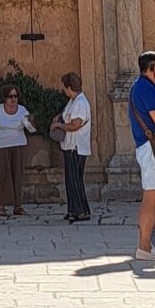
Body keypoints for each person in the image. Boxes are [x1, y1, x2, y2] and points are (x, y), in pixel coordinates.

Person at [129, 50, 155, 259]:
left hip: (145, 147)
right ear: (150, 68)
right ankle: (144, 247)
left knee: (152, 195)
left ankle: (145, 245)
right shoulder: (147, 88)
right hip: (150, 147)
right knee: (152, 196)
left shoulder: (140, 86)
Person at [0, 81, 31, 218]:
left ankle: (18, 206)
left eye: (15, 96)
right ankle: (1, 205)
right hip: (1, 145)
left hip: (19, 144)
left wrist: (32, 122)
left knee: (18, 175)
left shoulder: (22, 110)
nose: (13, 99)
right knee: (3, 175)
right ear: (5, 98)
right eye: (11, 96)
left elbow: (30, 126)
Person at [57, 72, 92, 223]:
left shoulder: (80, 103)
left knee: (75, 179)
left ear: (69, 87)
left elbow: (76, 124)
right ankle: (73, 210)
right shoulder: (73, 101)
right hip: (70, 146)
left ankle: (81, 211)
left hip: (75, 146)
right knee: (71, 179)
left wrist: (59, 125)